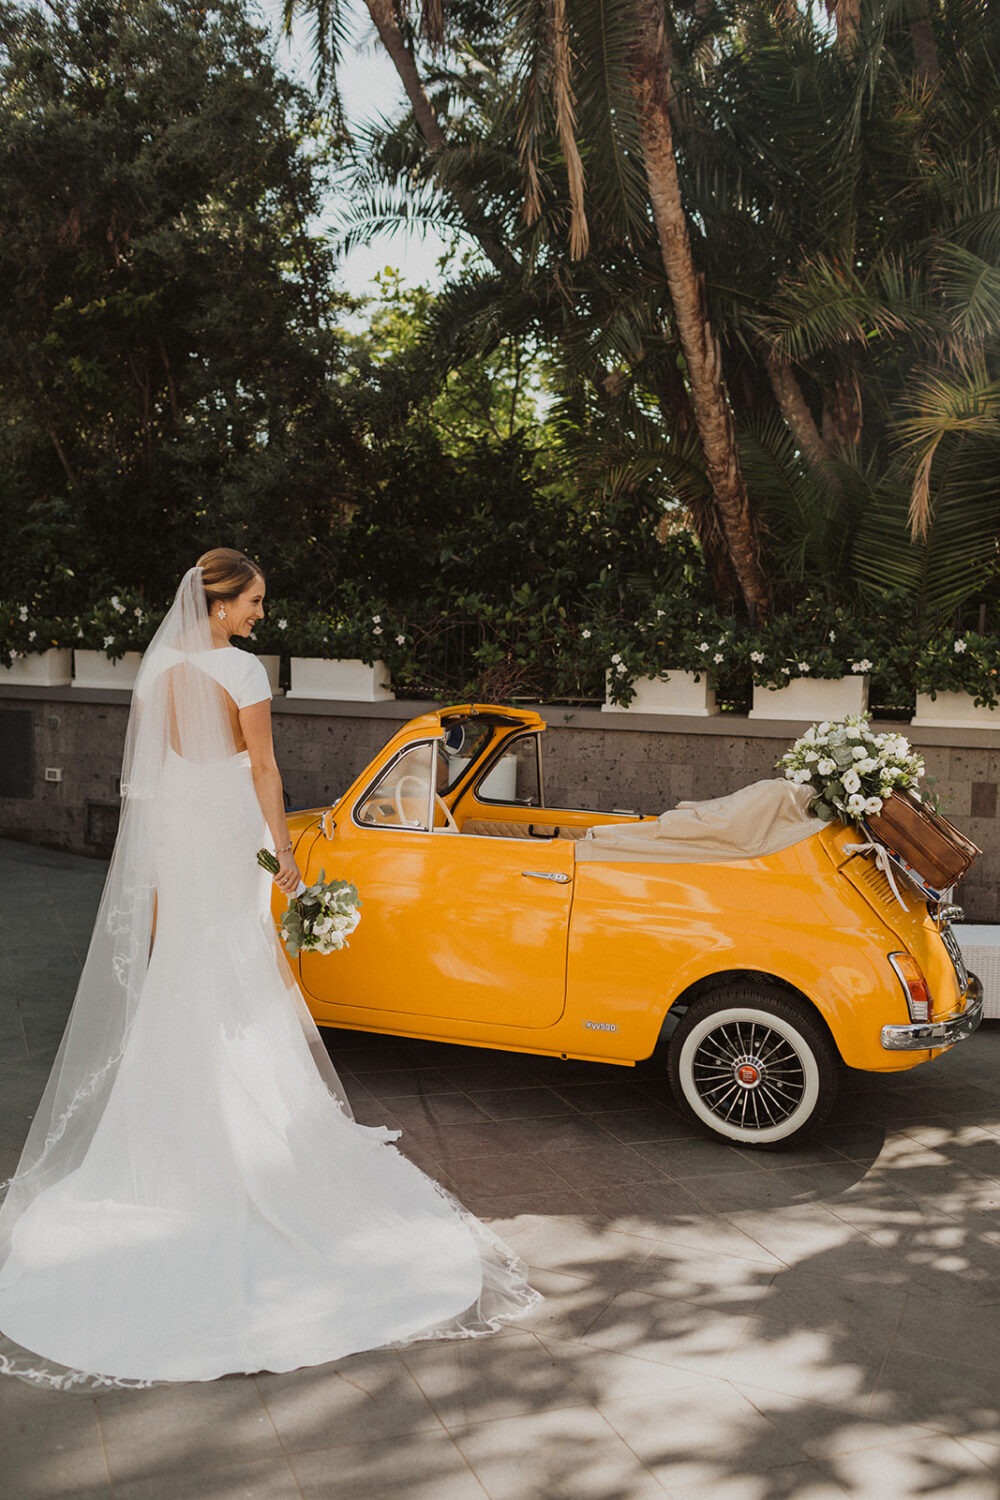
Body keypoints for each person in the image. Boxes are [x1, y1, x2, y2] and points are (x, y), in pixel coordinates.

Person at [0, 550, 538, 1388]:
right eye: (253, 601)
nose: (261, 614)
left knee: (189, 960)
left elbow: (150, 776)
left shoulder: (162, 666)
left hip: (181, 829)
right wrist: (286, 857)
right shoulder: (238, 667)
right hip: (225, 827)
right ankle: (245, 1145)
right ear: (218, 605)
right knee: (237, 964)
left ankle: (170, 1133)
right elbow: (261, 767)